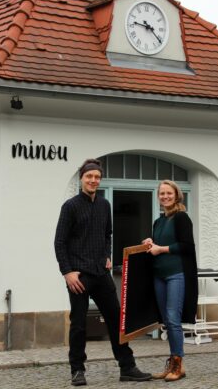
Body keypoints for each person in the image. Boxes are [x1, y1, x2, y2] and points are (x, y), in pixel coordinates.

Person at [54, 158, 152, 386]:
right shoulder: (70, 207)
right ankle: (77, 370)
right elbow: (59, 242)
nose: (93, 180)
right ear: (81, 179)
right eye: (89, 176)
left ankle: (127, 367)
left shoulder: (104, 205)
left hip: (100, 273)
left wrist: (107, 255)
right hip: (79, 276)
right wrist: (67, 272)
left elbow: (108, 234)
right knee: (79, 324)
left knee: (117, 320)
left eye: (97, 177)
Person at [142, 180, 198, 382]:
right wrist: (150, 243)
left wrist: (161, 249)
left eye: (169, 193)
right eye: (162, 193)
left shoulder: (182, 218)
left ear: (176, 195)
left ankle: (178, 364)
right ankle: (173, 362)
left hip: (177, 274)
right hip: (159, 275)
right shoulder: (158, 222)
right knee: (166, 320)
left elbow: (187, 246)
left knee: (173, 318)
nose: (165, 196)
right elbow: (157, 246)